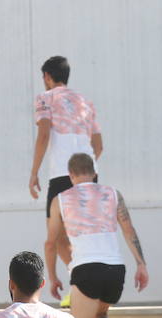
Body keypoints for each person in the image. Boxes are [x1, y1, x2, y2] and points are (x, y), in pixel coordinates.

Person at [46, 152, 148, 318]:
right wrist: (141, 264)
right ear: (94, 172)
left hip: (86, 268)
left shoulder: (61, 199)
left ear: (70, 175)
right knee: (101, 314)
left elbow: (52, 241)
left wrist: (54, 275)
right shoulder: (113, 193)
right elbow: (129, 230)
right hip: (115, 268)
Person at [29, 55, 102, 269]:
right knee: (85, 235)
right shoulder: (86, 102)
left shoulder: (45, 98)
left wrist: (34, 173)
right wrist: (85, 168)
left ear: (47, 76)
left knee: (57, 237)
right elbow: (99, 145)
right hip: (90, 175)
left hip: (61, 173)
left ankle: (82, 280)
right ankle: (84, 285)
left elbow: (43, 135)